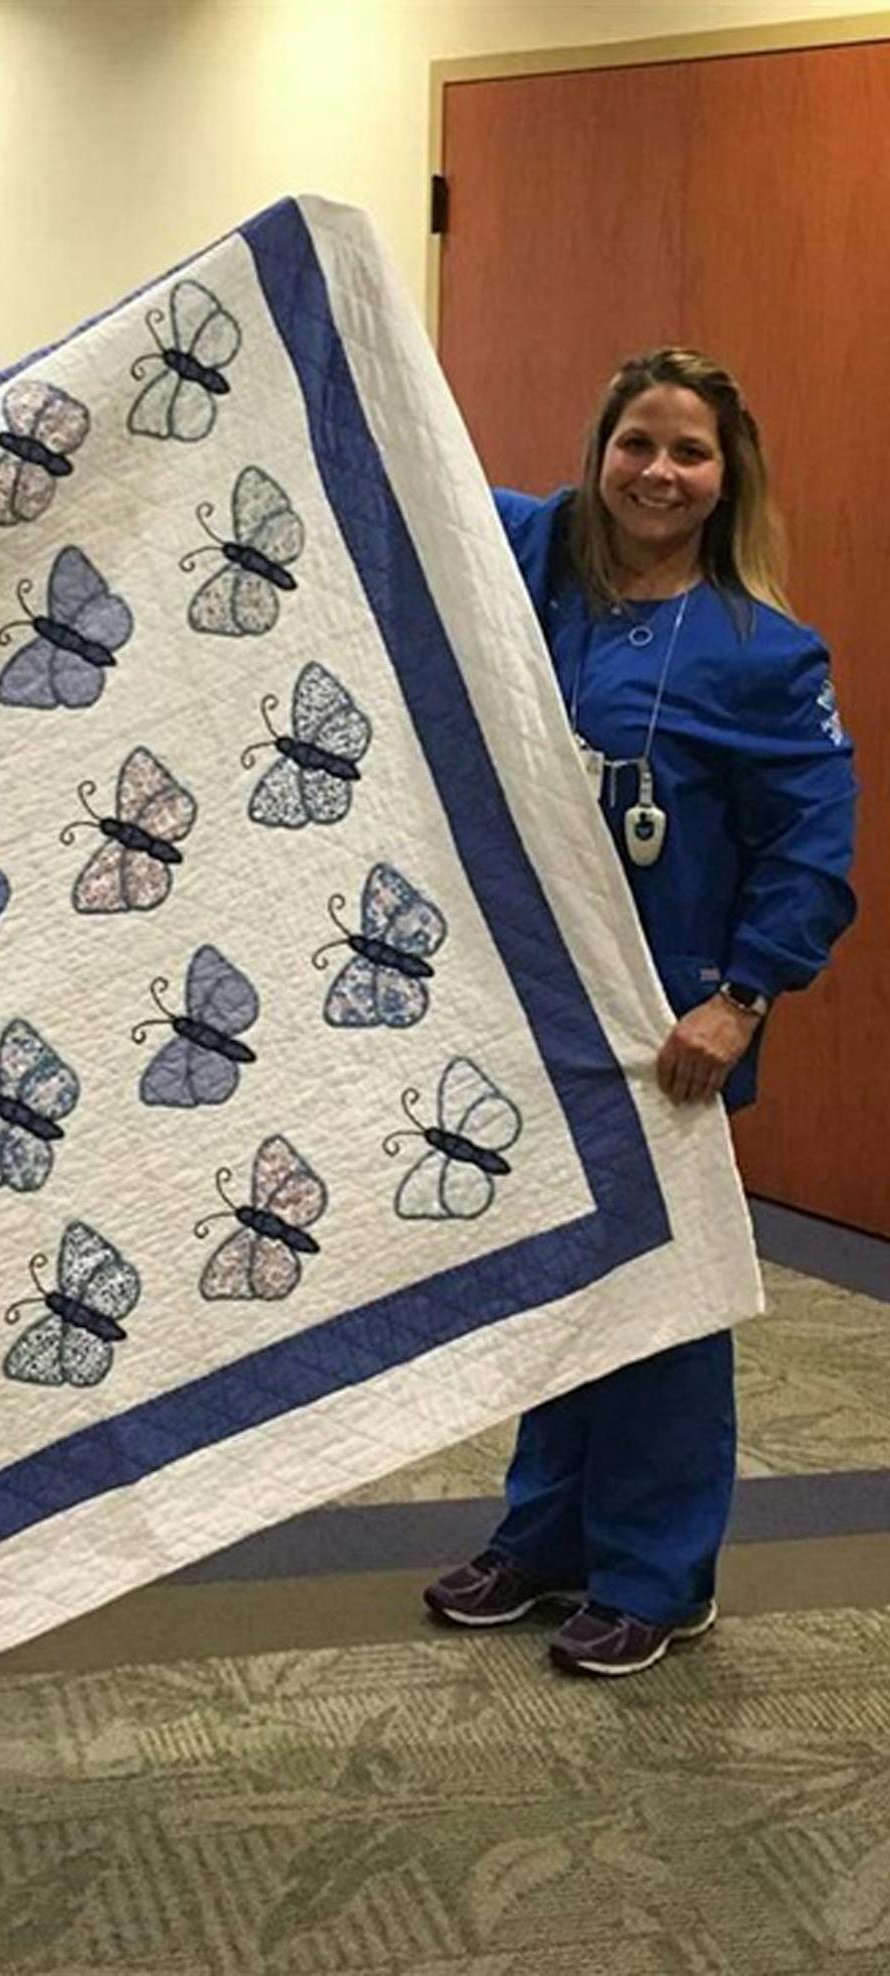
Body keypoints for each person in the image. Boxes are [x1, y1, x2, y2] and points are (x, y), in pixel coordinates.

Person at [423, 348, 858, 1678]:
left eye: (691, 453)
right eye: (638, 444)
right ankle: (547, 1533)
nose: (660, 473)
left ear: (729, 478)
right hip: (533, 1018)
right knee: (559, 1287)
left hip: (671, 1027)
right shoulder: (534, 580)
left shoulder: (763, 652)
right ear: (596, 451)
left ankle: (662, 1573)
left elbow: (810, 845)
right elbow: (407, 478)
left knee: (662, 1309)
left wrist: (744, 999)